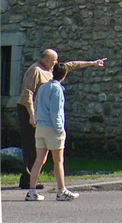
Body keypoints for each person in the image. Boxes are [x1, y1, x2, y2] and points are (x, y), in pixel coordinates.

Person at [17, 48, 107, 189]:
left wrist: (92, 63)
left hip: (42, 113)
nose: (56, 62)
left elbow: (70, 65)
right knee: (31, 146)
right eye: (54, 60)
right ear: (46, 59)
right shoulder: (35, 70)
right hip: (29, 110)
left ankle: (30, 181)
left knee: (40, 152)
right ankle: (28, 179)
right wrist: (31, 115)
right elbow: (27, 94)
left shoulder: (51, 70)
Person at [26, 63, 77, 201]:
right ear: (64, 76)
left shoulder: (43, 87)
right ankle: (61, 191)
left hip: (40, 127)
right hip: (52, 128)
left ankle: (31, 191)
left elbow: (36, 105)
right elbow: (55, 112)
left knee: (39, 160)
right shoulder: (57, 89)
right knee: (58, 161)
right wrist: (60, 129)